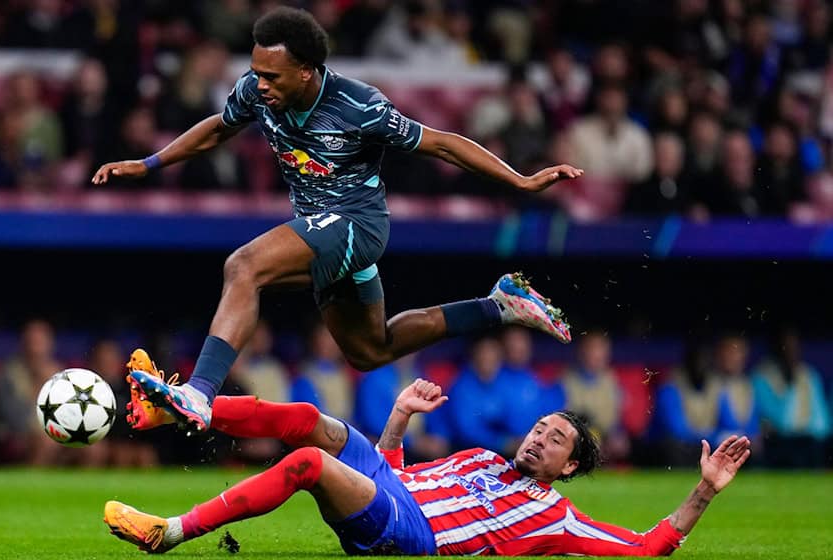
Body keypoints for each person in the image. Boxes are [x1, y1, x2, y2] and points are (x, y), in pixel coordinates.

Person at [92, 7, 581, 433]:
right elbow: (219, 128)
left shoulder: (359, 105)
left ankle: (198, 392)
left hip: (357, 224)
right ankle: (498, 305)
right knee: (371, 349)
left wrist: (519, 181)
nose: (260, 85)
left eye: (272, 76)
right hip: (321, 231)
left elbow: (441, 142)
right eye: (256, 72)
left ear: (305, 71)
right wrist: (150, 163)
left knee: (244, 266)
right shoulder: (255, 91)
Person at [106, 371, 751, 556]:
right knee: (306, 417)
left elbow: (645, 550)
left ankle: (171, 531)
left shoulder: (555, 517)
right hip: (394, 494)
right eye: (539, 428)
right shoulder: (477, 457)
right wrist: (400, 419)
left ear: (571, 468)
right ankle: (183, 409)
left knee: (306, 461)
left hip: (411, 536)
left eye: (556, 441)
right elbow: (392, 473)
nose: (537, 439)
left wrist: (705, 492)